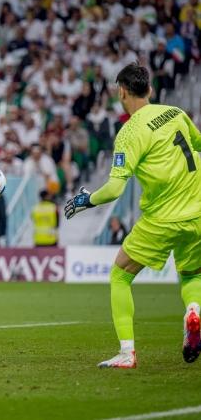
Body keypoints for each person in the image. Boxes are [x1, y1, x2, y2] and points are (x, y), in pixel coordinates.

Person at [64, 63, 201, 368]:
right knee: (192, 274)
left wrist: (85, 200)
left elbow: (114, 189)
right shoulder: (177, 113)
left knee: (120, 275)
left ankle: (127, 353)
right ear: (150, 90)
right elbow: (199, 145)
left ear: (121, 92)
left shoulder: (129, 132)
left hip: (163, 217)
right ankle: (194, 310)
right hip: (198, 212)